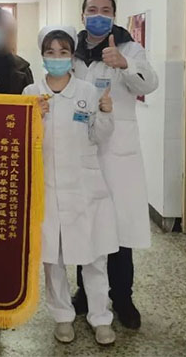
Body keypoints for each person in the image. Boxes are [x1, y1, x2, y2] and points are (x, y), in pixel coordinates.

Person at [24, 26, 118, 346]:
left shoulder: (88, 91)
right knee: (53, 258)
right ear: (42, 56)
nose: (57, 58)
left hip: (84, 186)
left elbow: (99, 136)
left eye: (63, 52)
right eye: (50, 52)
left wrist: (106, 114)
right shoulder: (31, 92)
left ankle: (101, 318)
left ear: (72, 56)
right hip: (47, 187)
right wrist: (33, 119)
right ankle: (62, 317)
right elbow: (19, 142)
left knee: (94, 257)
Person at [70, 0, 159, 330]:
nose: (98, 15)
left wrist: (125, 64)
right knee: (85, 224)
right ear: (82, 15)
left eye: (105, 10)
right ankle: (84, 293)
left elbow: (150, 83)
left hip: (118, 154)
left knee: (120, 229)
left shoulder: (129, 48)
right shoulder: (73, 51)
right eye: (92, 9)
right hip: (82, 148)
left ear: (114, 15)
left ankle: (123, 298)